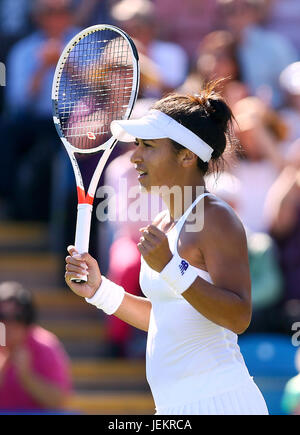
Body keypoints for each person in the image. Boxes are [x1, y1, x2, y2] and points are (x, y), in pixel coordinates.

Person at [65, 81, 268, 415]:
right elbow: (165, 317)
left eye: (148, 146)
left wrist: (172, 267)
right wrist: (99, 290)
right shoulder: (163, 221)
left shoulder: (215, 217)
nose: (136, 158)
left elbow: (239, 316)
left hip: (222, 405)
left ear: (187, 155)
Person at [0, 282, 72, 411]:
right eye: (2, 317)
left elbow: (59, 401)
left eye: (17, 318)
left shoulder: (46, 345)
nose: (8, 325)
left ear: (28, 320)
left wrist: (27, 377)